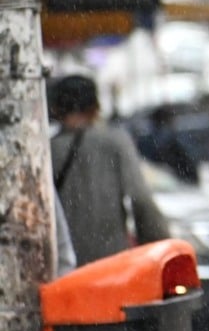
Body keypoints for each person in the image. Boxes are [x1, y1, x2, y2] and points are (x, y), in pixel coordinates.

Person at [48, 74, 171, 266]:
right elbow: (141, 200)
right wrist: (157, 251)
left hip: (64, 271)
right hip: (112, 264)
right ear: (95, 107)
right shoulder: (115, 142)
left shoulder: (46, 151)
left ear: (56, 109)